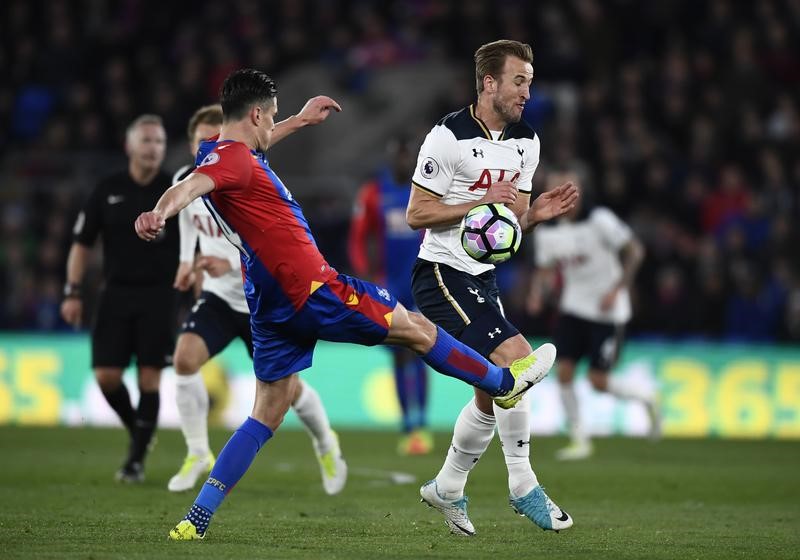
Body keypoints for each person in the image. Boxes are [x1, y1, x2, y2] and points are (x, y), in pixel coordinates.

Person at [135, 68, 565, 541]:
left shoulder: (223, 150)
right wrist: (160, 211)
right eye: (272, 117)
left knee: (268, 410)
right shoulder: (230, 162)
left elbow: (236, 154)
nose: (271, 127)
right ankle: (503, 383)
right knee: (416, 329)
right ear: (255, 113)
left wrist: (297, 120)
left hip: (268, 300)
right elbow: (191, 186)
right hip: (313, 289)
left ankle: (195, 519)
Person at [406, 39, 578, 535]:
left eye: (530, 82)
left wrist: (536, 215)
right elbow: (416, 213)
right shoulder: (448, 136)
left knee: (492, 391)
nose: (527, 91)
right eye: (518, 81)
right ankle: (524, 485)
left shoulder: (528, 141)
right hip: (440, 274)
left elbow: (510, 223)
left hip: (482, 275)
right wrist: (476, 202)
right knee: (517, 360)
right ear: (489, 82)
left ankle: (447, 486)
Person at [168, 103, 347, 495]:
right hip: (218, 298)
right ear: (191, 145)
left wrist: (298, 121)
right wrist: (188, 263)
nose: (210, 148)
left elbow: (263, 245)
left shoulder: (241, 170)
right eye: (202, 142)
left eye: (215, 139)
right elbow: (189, 229)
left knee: (289, 392)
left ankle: (325, 442)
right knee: (184, 358)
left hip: (260, 299)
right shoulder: (187, 181)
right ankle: (198, 451)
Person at [61, 114, 176, 483]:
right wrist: (72, 291)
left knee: (149, 380)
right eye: (146, 141)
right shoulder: (107, 188)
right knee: (107, 377)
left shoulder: (174, 188)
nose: (153, 148)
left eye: (158, 141)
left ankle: (135, 461)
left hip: (160, 295)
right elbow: (82, 243)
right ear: (129, 146)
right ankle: (139, 429)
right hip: (116, 293)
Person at [527, 170, 657, 460]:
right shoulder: (548, 232)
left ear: (580, 192)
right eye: (555, 189)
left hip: (608, 312)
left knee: (598, 381)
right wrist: (538, 294)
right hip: (573, 309)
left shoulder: (600, 221)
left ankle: (646, 398)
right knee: (564, 373)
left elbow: (635, 251)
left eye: (569, 189)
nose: (564, 195)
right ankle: (579, 440)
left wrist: (618, 289)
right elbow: (546, 270)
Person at [349, 136, 432, 456]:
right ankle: (407, 426)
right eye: (397, 155)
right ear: (390, 158)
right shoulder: (373, 193)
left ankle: (421, 424)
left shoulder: (424, 191)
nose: (402, 161)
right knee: (399, 351)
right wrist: (366, 276)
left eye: (406, 155)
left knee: (424, 348)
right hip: (390, 286)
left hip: (422, 283)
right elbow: (358, 238)